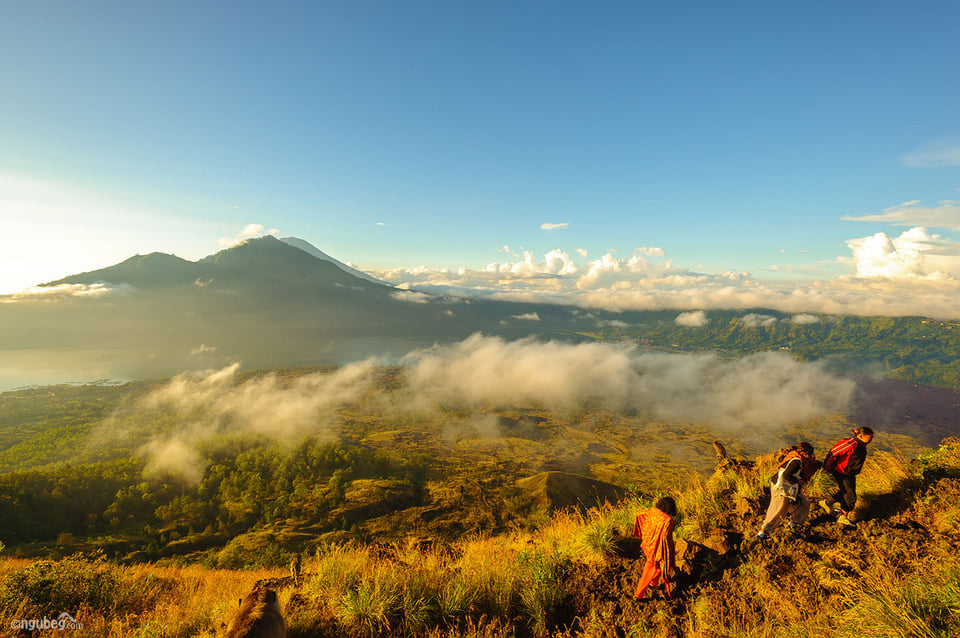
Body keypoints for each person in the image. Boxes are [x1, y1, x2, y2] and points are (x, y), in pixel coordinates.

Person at [757, 442, 820, 540]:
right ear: (804, 453)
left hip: (787, 486)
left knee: (803, 504)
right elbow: (786, 475)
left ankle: (793, 524)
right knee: (778, 508)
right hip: (780, 487)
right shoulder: (797, 462)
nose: (811, 456)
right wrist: (798, 481)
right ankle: (763, 532)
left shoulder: (796, 458)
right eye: (809, 454)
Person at [819, 426, 874, 527]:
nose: (871, 440)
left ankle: (827, 502)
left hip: (849, 473)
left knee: (846, 492)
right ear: (861, 435)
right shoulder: (850, 444)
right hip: (842, 472)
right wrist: (826, 467)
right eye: (869, 438)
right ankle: (843, 517)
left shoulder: (860, 444)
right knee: (850, 496)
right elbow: (834, 453)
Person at [632, 496, 677, 600]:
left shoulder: (652, 511)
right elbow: (667, 538)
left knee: (656, 567)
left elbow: (638, 514)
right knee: (651, 568)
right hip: (656, 549)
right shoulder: (668, 520)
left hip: (646, 544)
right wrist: (670, 551)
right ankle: (638, 594)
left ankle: (653, 584)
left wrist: (642, 532)